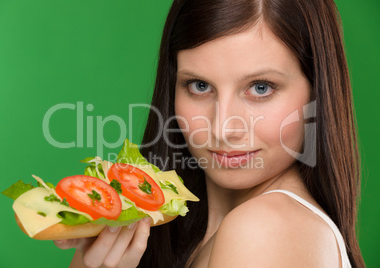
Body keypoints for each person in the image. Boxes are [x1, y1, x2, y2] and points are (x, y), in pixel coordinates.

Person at [54, 0, 365, 267]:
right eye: (199, 86)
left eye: (260, 88)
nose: (222, 129)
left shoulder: (264, 229)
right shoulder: (183, 230)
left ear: (316, 92)